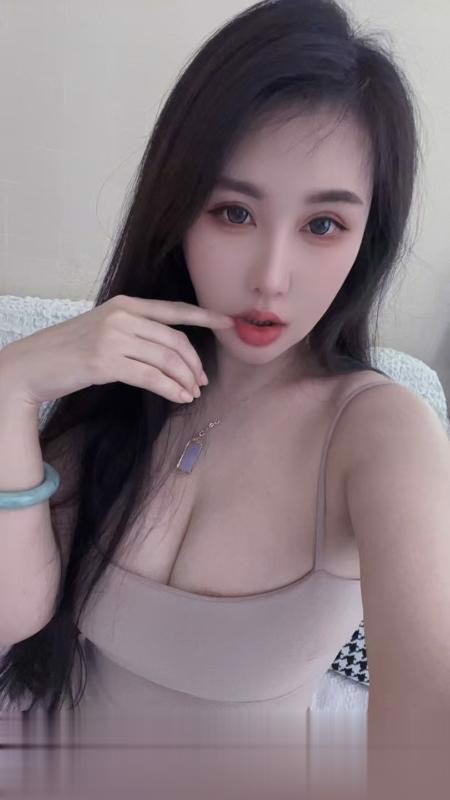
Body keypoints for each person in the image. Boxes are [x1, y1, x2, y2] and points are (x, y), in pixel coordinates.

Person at [0, 0, 449, 749]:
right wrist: (11, 388)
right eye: (234, 213)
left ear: (367, 239)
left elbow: (429, 709)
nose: (271, 277)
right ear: (177, 211)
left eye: (323, 225)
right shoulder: (123, 380)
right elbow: (15, 614)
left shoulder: (382, 433)